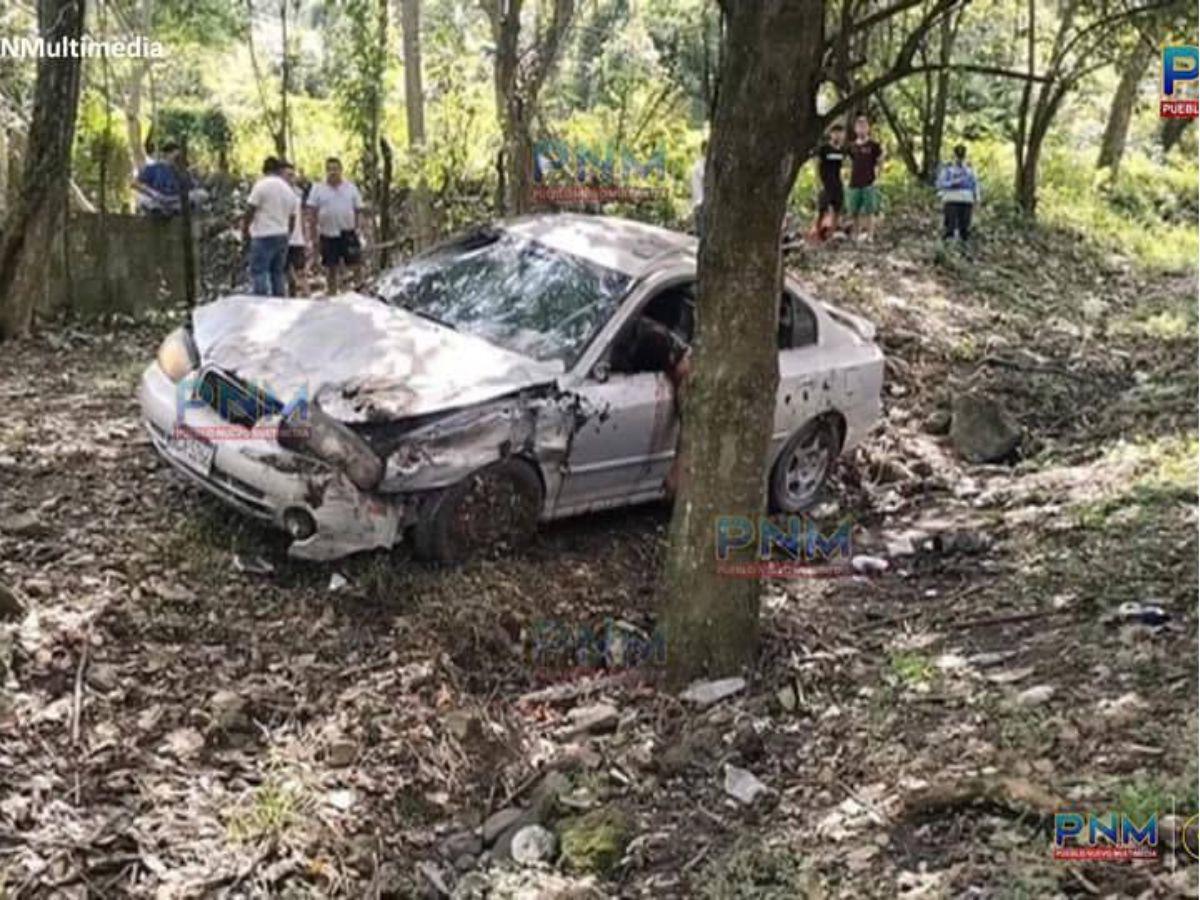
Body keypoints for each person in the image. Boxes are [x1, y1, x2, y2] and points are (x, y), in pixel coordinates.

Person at [242, 156, 299, 297]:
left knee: (260, 272)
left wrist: (245, 230)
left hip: (263, 235)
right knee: (278, 273)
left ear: (264, 170)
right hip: (282, 234)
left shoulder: (261, 186)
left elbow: (250, 209)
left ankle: (261, 301)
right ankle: (279, 301)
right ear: (279, 170)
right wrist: (288, 233)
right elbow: (292, 216)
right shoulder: (287, 189)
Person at [306, 157, 364, 293]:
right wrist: (313, 236)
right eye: (330, 169)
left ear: (341, 170)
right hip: (328, 233)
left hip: (348, 232)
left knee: (356, 264)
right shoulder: (318, 188)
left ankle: (360, 291)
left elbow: (358, 210)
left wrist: (359, 229)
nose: (333, 172)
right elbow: (312, 213)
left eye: (336, 169)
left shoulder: (351, 188)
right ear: (326, 171)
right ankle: (332, 293)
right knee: (331, 267)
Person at [847, 113, 884, 242]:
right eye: (859, 125)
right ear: (855, 129)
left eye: (864, 125)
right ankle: (856, 234)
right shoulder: (852, 146)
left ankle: (870, 235)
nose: (861, 128)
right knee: (854, 211)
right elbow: (849, 162)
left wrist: (879, 177)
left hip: (869, 181)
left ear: (868, 128)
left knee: (870, 211)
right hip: (854, 182)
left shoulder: (874, 145)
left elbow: (880, 160)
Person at [936, 144, 981, 242]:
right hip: (951, 198)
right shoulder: (948, 168)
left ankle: (964, 244)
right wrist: (952, 183)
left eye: (961, 156)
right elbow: (940, 183)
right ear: (954, 155)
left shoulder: (970, 169)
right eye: (958, 156)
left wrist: (977, 198)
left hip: (966, 199)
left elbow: (975, 184)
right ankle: (948, 243)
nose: (959, 159)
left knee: (965, 226)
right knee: (950, 225)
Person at [810, 124, 847, 242]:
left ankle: (831, 235)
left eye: (840, 133)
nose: (838, 136)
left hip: (837, 183)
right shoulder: (824, 149)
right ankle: (816, 234)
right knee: (822, 209)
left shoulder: (841, 150)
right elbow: (817, 164)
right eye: (835, 133)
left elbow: (842, 167)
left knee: (837, 209)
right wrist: (817, 183)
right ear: (831, 134)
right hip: (825, 183)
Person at [281, 162, 309, 296]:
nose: (290, 178)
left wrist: (305, 235)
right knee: (286, 271)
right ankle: (290, 296)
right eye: (287, 175)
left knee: (301, 271)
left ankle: (306, 296)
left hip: (298, 238)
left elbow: (302, 214)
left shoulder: (299, 193)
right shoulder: (278, 193)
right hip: (283, 237)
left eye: (292, 175)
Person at [132, 142, 183, 216]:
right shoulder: (153, 168)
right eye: (176, 157)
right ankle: (158, 210)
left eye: (178, 158)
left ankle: (169, 210)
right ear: (167, 154)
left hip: (172, 201)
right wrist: (151, 192)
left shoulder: (177, 173)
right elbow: (135, 184)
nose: (177, 160)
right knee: (143, 198)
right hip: (155, 199)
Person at [690, 140, 707, 239]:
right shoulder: (701, 164)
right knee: (702, 235)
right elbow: (705, 179)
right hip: (701, 201)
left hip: (699, 202)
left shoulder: (700, 163)